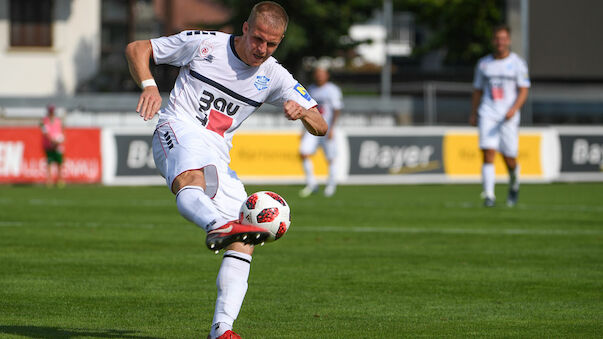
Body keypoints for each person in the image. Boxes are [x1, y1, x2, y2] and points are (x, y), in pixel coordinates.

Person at [125, 2, 327, 338]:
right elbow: (137, 48)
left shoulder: (275, 75)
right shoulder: (206, 44)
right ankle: (218, 225)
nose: (262, 49)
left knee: (246, 234)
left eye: (271, 44)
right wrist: (148, 85)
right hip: (178, 127)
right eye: (258, 39)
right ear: (245, 29)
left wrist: (304, 113)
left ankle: (222, 330)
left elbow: (321, 125)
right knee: (193, 181)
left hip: (218, 154)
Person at [470, 24, 530, 207]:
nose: (500, 42)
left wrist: (514, 109)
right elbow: (477, 90)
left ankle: (514, 183)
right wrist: (473, 113)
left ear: (509, 40)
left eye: (503, 39)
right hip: (488, 112)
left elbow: (524, 89)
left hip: (508, 116)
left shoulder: (517, 64)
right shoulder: (484, 64)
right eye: (497, 39)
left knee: (509, 158)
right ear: (492, 40)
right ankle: (489, 196)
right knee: (488, 152)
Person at [298, 67, 343, 198]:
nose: (319, 77)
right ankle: (312, 184)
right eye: (317, 74)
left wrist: (332, 128)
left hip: (327, 128)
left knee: (330, 158)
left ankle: (331, 185)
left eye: (321, 74)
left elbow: (336, 109)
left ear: (327, 76)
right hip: (312, 127)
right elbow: (306, 110)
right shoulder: (311, 89)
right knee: (304, 153)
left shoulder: (332, 90)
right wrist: (303, 128)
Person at [40, 104, 65, 187]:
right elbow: (45, 132)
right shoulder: (43, 121)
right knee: (49, 162)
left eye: (52, 111)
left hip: (58, 145)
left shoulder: (58, 120)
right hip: (48, 145)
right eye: (50, 111)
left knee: (59, 162)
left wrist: (59, 141)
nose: (51, 112)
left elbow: (62, 131)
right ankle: (49, 180)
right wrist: (52, 140)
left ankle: (60, 180)